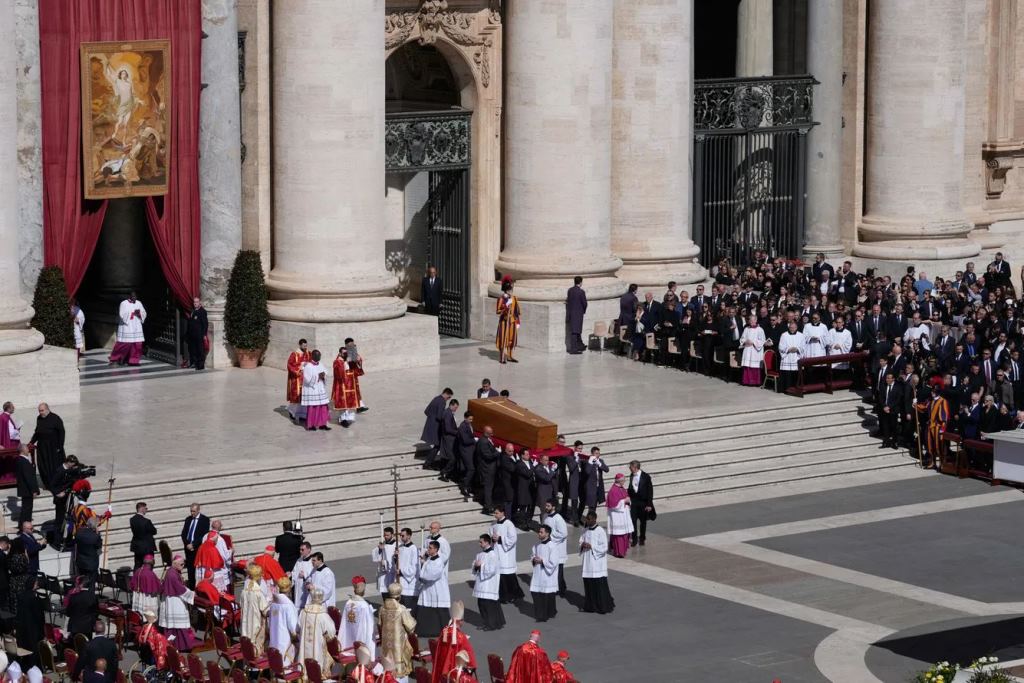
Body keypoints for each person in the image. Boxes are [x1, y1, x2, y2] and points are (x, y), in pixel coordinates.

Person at [377, 582, 416, 682]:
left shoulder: (382, 608)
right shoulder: (401, 609)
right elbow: (411, 627)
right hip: (398, 649)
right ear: (399, 596)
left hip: (386, 649)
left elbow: (379, 624)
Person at [159, 555, 199, 651]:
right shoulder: (172, 574)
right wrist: (192, 594)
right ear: (175, 563)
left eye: (183, 564)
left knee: (174, 624)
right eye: (181, 564)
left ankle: (176, 645)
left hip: (173, 600)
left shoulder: (173, 571)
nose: (183, 565)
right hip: (175, 602)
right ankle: (182, 645)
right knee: (179, 624)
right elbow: (180, 589)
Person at [431, 601, 476, 683]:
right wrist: (473, 666)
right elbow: (470, 656)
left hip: (441, 667)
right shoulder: (460, 637)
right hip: (454, 670)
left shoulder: (444, 631)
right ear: (461, 621)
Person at [579, 512, 614, 614]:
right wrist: (583, 544)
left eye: (589, 519)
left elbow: (604, 547)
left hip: (597, 563)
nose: (587, 520)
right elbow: (580, 541)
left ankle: (602, 607)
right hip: (588, 562)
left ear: (595, 519)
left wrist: (592, 547)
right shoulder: (585, 530)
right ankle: (590, 606)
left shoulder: (600, 531)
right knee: (589, 585)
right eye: (587, 519)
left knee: (599, 585)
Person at [416, 540, 450, 638]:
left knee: (438, 611)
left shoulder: (439, 562)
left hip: (437, 589)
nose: (428, 549)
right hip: (428, 589)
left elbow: (431, 575)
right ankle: (425, 631)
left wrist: (422, 574)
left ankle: (443, 632)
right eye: (428, 547)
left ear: (436, 549)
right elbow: (424, 570)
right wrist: (423, 563)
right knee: (425, 609)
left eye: (430, 548)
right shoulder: (429, 559)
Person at [298, 587, 336, 674]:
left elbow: (299, 626)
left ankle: (304, 675)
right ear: (321, 599)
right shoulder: (323, 615)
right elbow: (331, 633)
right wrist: (327, 636)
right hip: (317, 647)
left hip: (304, 647)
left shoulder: (303, 612)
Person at [29, 403, 65, 490]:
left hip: (53, 447)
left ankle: (56, 484)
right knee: (43, 466)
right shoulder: (39, 418)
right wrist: (31, 442)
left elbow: (62, 433)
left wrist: (59, 447)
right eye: (39, 411)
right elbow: (37, 432)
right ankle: (48, 484)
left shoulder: (55, 418)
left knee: (54, 466)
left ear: (47, 409)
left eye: (42, 410)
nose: (40, 412)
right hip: (42, 447)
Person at [471, 534, 503, 631]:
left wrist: (481, 566)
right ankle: (485, 623)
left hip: (489, 584)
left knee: (489, 606)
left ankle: (491, 625)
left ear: (487, 542)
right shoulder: (479, 555)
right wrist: (476, 566)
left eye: (481, 542)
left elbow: (492, 570)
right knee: (481, 605)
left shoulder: (493, 555)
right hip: (481, 584)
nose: (479, 544)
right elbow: (474, 568)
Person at [490, 508, 522, 604]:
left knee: (508, 576)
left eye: (497, 513)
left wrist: (500, 538)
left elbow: (513, 539)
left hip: (506, 554)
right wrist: (492, 538)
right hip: (497, 552)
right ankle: (503, 596)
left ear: (502, 513)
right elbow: (490, 535)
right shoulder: (493, 524)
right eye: (494, 513)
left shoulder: (509, 524)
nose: (495, 515)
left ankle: (514, 595)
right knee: (500, 576)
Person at [340, 576, 376, 657]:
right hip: (361, 640)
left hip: (349, 638)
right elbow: (369, 625)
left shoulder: (348, 602)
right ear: (364, 590)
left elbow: (344, 622)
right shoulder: (364, 605)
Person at [108, 291, 146, 366]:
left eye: (135, 296)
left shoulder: (139, 303)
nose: (134, 298)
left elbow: (144, 312)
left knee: (137, 344)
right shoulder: (123, 303)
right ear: (129, 296)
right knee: (124, 344)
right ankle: (116, 359)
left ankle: (134, 361)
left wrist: (139, 314)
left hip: (136, 326)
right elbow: (122, 314)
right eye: (133, 296)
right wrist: (132, 313)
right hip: (127, 327)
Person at [529, 525, 558, 623]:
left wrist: (542, 561)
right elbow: (532, 556)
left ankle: (543, 616)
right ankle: (542, 614)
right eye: (539, 532)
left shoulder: (552, 546)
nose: (539, 533)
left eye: (541, 532)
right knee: (536, 593)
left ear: (547, 534)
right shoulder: (536, 545)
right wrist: (534, 559)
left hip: (547, 575)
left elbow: (554, 562)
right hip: (538, 574)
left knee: (546, 596)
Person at [268, 576, 299, 664]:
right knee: (285, 663)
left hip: (274, 637)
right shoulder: (288, 605)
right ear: (289, 589)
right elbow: (293, 627)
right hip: (285, 639)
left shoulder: (273, 603)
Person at [421, 388, 453, 470]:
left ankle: (428, 463)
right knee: (437, 445)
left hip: (430, 425)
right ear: (446, 394)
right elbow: (439, 416)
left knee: (437, 445)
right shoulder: (442, 402)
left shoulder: (436, 398)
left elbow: (426, 411)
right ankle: (427, 463)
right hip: (436, 427)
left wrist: (432, 418)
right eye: (449, 397)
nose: (448, 399)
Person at [332, 345, 363, 428]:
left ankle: (349, 418)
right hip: (342, 385)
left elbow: (357, 370)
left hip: (351, 385)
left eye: (346, 353)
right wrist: (345, 362)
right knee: (343, 403)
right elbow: (338, 374)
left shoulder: (349, 360)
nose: (345, 354)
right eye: (344, 353)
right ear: (340, 353)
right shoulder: (337, 362)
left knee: (351, 402)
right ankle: (343, 419)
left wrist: (358, 361)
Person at [541, 500, 568, 596]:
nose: (546, 507)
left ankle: (561, 590)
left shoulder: (558, 519)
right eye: (546, 505)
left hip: (558, 548)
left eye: (548, 506)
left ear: (553, 507)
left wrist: (550, 536)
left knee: (558, 571)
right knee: (551, 569)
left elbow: (563, 533)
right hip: (549, 548)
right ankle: (555, 587)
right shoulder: (545, 516)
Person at [180, 503, 210, 588]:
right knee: (190, 569)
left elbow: (204, 535)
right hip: (188, 548)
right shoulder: (188, 519)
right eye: (191, 511)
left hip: (197, 548)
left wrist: (193, 544)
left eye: (194, 511)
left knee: (198, 569)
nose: (192, 513)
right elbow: (183, 534)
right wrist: (187, 544)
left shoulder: (204, 519)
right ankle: (192, 587)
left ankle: (199, 587)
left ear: (198, 510)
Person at [302, 350, 331, 431]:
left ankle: (323, 424)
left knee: (323, 407)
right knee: (313, 407)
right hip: (313, 390)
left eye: (320, 355)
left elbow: (326, 372)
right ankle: (311, 425)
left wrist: (324, 375)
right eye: (317, 355)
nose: (319, 357)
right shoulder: (308, 366)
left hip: (320, 388)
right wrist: (318, 376)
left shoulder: (321, 364)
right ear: (312, 356)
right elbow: (307, 379)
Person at [627, 460, 654, 547]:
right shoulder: (631, 475)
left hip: (643, 502)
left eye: (630, 467)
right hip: (634, 502)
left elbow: (650, 491)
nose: (629, 468)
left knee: (643, 522)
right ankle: (634, 539)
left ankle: (642, 538)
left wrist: (649, 504)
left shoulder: (646, 476)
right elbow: (631, 488)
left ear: (635, 467)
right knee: (633, 520)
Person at [606, 474, 633, 558]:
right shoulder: (613, 491)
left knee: (624, 534)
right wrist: (624, 501)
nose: (624, 482)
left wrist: (628, 500)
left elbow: (626, 497)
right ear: (619, 481)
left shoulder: (622, 488)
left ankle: (623, 551)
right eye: (623, 480)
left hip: (623, 515)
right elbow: (613, 505)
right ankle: (619, 552)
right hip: (617, 516)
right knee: (619, 535)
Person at [496, 276, 521, 364]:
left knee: (511, 339)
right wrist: (505, 308)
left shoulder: (514, 299)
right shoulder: (501, 299)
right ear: (505, 290)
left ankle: (510, 356)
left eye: (511, 289)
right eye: (509, 289)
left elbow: (517, 311)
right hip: (504, 322)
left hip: (512, 322)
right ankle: (502, 357)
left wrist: (517, 321)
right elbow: (498, 311)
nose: (511, 291)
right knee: (503, 339)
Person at [475, 426, 500, 513]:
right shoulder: (483, 442)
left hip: (489, 468)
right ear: (486, 433)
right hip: (487, 469)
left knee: (489, 487)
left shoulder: (486, 440)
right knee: (488, 488)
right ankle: (487, 506)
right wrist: (497, 453)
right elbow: (488, 456)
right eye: (490, 433)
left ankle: (487, 502)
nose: (492, 434)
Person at [286, 339, 311, 422]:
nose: (305, 347)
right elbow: (289, 365)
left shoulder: (308, 353)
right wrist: (300, 367)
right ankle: (291, 411)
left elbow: (311, 362)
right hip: (297, 379)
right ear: (300, 345)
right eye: (304, 346)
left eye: (306, 345)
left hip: (306, 378)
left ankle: (302, 415)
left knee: (304, 397)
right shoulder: (294, 354)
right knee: (296, 397)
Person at [778, 320, 805, 393]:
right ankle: (786, 389)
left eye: (794, 327)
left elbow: (803, 346)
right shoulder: (784, 335)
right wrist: (788, 349)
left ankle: (796, 388)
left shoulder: (801, 335)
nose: (792, 329)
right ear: (788, 327)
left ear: (796, 327)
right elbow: (780, 346)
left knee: (796, 373)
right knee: (787, 374)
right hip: (787, 357)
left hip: (796, 357)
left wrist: (797, 349)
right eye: (791, 327)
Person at [396, 528, 420, 610]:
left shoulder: (414, 549)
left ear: (409, 536)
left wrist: (401, 572)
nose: (401, 537)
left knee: (409, 611)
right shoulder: (400, 547)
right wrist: (395, 558)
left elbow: (414, 568)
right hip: (400, 582)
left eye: (403, 535)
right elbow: (397, 563)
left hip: (409, 584)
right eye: (400, 535)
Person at [582, 447, 608, 517]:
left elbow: (606, 469)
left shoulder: (600, 461)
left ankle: (592, 520)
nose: (598, 455)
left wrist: (600, 464)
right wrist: (590, 462)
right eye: (596, 453)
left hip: (598, 487)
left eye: (599, 453)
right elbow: (587, 471)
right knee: (591, 507)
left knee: (594, 506)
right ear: (592, 454)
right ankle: (589, 521)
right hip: (590, 487)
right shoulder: (587, 461)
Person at [739, 314, 765, 386]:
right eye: (750, 320)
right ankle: (746, 381)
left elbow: (762, 340)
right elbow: (742, 338)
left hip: (755, 351)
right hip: (747, 349)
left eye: (752, 320)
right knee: (747, 365)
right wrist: (745, 341)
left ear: (756, 320)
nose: (751, 322)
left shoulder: (760, 330)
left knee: (754, 366)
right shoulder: (746, 329)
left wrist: (753, 342)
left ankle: (755, 382)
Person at [74, 517, 103, 583]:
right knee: (91, 584)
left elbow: (75, 542)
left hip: (80, 563)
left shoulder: (79, 533)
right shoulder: (96, 536)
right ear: (95, 526)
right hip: (92, 565)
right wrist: (98, 536)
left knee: (82, 583)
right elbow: (99, 552)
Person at [129, 501, 157, 568]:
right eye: (146, 508)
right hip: (147, 547)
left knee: (137, 565)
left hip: (137, 546)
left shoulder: (132, 520)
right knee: (148, 566)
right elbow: (154, 531)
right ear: (141, 508)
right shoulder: (146, 521)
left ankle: (137, 575)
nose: (146, 510)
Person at [372, 526, 398, 597]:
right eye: (384, 535)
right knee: (384, 594)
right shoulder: (382, 544)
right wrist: (380, 549)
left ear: (392, 535)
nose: (385, 537)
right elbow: (375, 557)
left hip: (392, 573)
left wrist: (387, 562)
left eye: (387, 535)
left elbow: (396, 559)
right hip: (383, 574)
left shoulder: (396, 545)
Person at [439, 399, 461, 482]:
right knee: (452, 458)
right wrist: (457, 432)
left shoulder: (448, 412)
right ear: (451, 405)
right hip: (449, 439)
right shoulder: (448, 414)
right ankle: (444, 472)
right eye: (455, 407)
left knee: (452, 457)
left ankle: (448, 473)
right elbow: (448, 429)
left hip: (449, 438)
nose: (456, 409)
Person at [14, 445, 37, 524]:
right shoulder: (23, 461)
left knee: (26, 508)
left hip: (25, 489)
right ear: (23, 450)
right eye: (27, 449)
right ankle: (25, 526)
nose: (28, 450)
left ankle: (25, 525)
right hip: (27, 490)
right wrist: (33, 490)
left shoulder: (21, 460)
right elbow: (28, 477)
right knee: (27, 509)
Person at [457, 411, 477, 497]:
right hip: (466, 451)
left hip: (470, 450)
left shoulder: (468, 425)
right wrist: (474, 440)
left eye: (472, 419)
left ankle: (468, 486)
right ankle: (464, 486)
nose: (471, 421)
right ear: (465, 418)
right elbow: (465, 440)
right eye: (470, 419)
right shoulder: (462, 427)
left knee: (469, 469)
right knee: (471, 469)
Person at [565, 276, 588, 354]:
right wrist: (583, 311)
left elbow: (568, 301)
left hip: (571, 313)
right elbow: (585, 303)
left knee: (577, 330)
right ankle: (573, 349)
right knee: (575, 332)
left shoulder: (570, 290)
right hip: (578, 314)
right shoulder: (581, 292)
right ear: (580, 282)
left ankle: (580, 345)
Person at [186, 297, 208, 370]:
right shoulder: (193, 311)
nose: (195, 303)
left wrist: (204, 334)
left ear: (199, 303)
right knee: (193, 350)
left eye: (197, 302)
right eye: (194, 302)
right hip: (192, 335)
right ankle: (194, 363)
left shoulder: (202, 311)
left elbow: (205, 324)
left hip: (199, 334)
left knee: (200, 350)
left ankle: (200, 365)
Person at [291, 541, 314, 608]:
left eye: (302, 550)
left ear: (309, 550)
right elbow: (294, 572)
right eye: (300, 550)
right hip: (298, 588)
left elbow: (314, 574)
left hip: (306, 588)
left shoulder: (312, 561)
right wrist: (291, 574)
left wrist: (304, 576)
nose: (300, 551)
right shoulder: (299, 560)